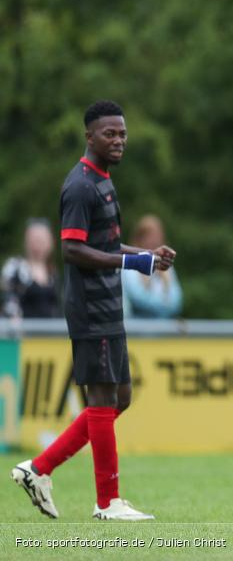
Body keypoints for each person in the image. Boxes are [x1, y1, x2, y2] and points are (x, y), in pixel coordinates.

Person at [10, 100, 176, 520]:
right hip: (89, 308)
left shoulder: (103, 180)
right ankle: (108, 503)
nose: (118, 140)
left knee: (119, 398)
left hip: (109, 305)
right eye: (109, 134)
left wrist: (145, 255)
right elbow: (71, 250)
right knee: (102, 398)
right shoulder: (80, 185)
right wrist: (129, 262)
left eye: (122, 133)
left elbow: (102, 245)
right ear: (89, 136)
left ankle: (39, 467)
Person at [122, 215, 183, 318]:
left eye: (158, 236)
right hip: (137, 327)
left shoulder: (167, 265)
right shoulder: (130, 263)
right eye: (150, 236)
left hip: (164, 326)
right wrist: (164, 306)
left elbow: (177, 300)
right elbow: (137, 297)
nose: (155, 240)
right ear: (140, 238)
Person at [1, 218, 61, 318]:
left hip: (50, 331)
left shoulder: (52, 272)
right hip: (22, 331)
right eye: (35, 238)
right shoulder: (15, 267)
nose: (38, 243)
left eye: (43, 239)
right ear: (27, 240)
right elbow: (7, 299)